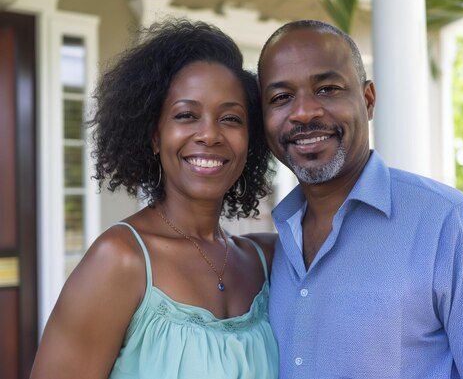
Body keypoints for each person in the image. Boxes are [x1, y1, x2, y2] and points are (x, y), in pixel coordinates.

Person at [257, 19, 463, 379]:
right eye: (281, 98)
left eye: (328, 89)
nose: (304, 112)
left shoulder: (450, 225)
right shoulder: (276, 247)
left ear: (368, 100)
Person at [30, 20, 278, 379]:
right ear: (153, 136)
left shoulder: (265, 261)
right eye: (186, 115)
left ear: (250, 140)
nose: (209, 134)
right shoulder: (120, 260)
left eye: (230, 118)